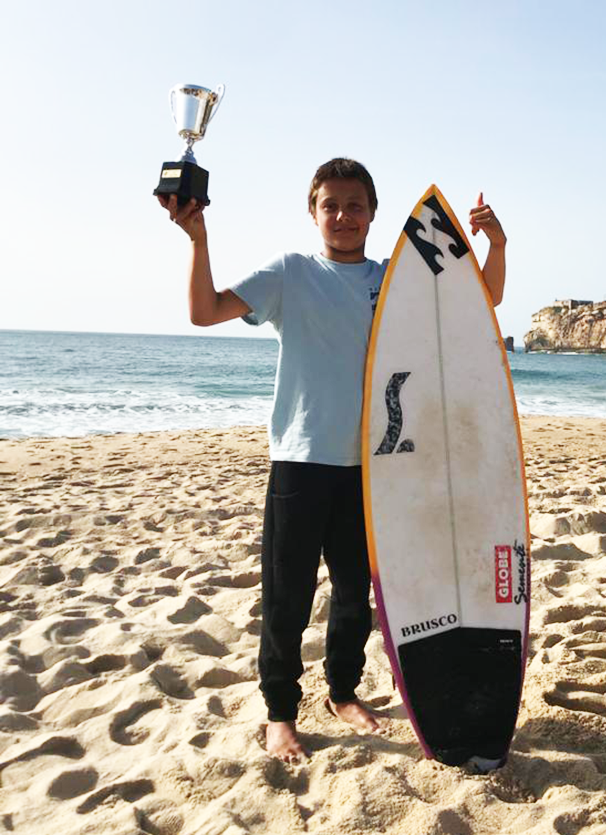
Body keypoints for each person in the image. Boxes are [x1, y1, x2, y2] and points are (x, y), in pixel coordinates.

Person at [159, 158, 507, 763]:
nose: (342, 216)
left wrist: (495, 245)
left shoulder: (398, 281)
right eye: (331, 205)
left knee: (355, 596)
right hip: (301, 460)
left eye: (355, 205)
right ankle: (279, 713)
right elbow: (204, 310)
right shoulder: (291, 274)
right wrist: (198, 238)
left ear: (373, 213)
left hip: (376, 471)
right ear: (313, 212)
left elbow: (481, 304)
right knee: (287, 596)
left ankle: (342, 692)